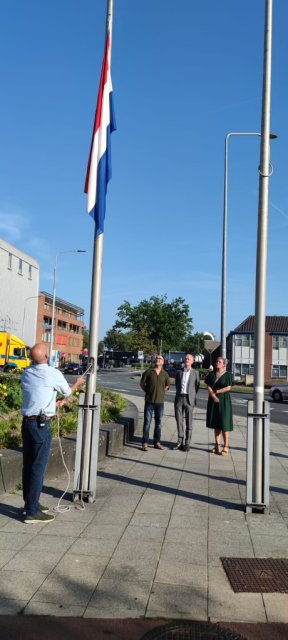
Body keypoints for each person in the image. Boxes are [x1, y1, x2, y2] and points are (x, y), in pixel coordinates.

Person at [21, 343, 85, 524]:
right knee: (38, 468)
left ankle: (30, 504)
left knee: (28, 466)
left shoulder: (26, 373)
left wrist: (52, 403)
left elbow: (37, 393)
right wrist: (78, 383)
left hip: (27, 423)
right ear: (47, 357)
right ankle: (32, 512)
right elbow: (67, 392)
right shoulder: (52, 373)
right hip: (41, 425)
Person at [140, 355, 170, 451]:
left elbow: (167, 386)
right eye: (156, 358)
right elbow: (141, 383)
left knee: (159, 423)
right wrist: (147, 391)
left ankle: (157, 442)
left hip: (160, 402)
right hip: (149, 401)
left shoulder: (165, 374)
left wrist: (161, 392)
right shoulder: (149, 371)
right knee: (147, 422)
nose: (158, 360)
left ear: (163, 362)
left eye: (160, 359)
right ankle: (145, 442)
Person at [205, 357, 233, 455]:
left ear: (224, 364)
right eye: (216, 361)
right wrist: (213, 395)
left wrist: (216, 392)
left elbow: (228, 387)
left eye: (219, 362)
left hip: (224, 400)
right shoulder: (211, 374)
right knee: (216, 423)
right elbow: (208, 385)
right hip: (213, 400)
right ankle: (217, 445)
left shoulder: (228, 375)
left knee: (224, 423)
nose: (217, 363)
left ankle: (226, 446)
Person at [174, 353, 200, 451]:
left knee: (189, 422)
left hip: (189, 400)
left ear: (192, 361)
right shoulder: (179, 372)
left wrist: (191, 395)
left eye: (189, 359)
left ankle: (187, 443)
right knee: (179, 421)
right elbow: (177, 384)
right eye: (185, 359)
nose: (187, 360)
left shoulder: (195, 373)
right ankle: (180, 441)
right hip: (179, 398)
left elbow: (196, 386)